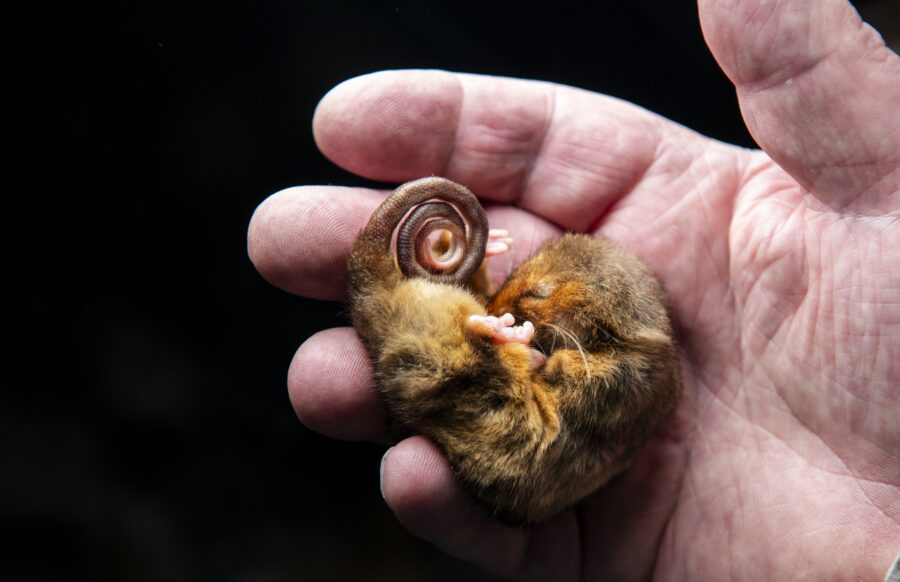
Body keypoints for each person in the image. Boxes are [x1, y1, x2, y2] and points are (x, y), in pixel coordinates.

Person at [247, 0, 900, 579]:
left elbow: (498, 370)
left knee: (455, 360)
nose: (505, 301)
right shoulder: (578, 359)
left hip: (534, 419)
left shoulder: (575, 376)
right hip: (535, 404)